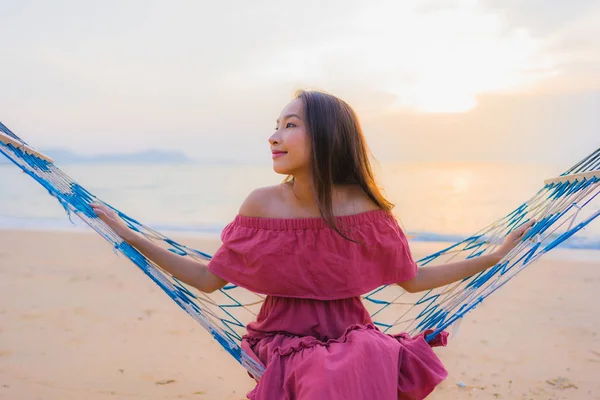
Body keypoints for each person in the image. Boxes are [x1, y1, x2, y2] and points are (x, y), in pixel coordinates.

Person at [91, 90, 534, 399]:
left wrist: (493, 257)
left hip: (353, 334)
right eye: (275, 126)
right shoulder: (262, 204)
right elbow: (208, 280)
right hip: (281, 341)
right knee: (329, 372)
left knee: (366, 354)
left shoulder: (365, 209)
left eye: (289, 125)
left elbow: (414, 281)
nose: (273, 136)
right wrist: (132, 237)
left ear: (326, 136)